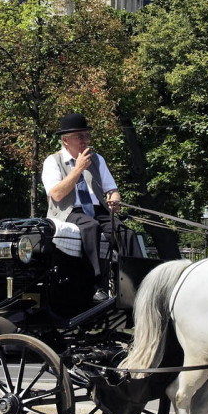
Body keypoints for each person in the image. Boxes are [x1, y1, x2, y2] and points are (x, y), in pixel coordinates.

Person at [41, 112, 138, 301]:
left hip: (98, 210)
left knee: (126, 233)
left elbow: (112, 189)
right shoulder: (52, 161)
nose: (85, 141)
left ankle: (136, 284)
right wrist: (77, 169)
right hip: (68, 210)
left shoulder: (97, 159)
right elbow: (57, 194)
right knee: (90, 227)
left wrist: (114, 198)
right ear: (65, 140)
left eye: (87, 135)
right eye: (80, 136)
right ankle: (95, 285)